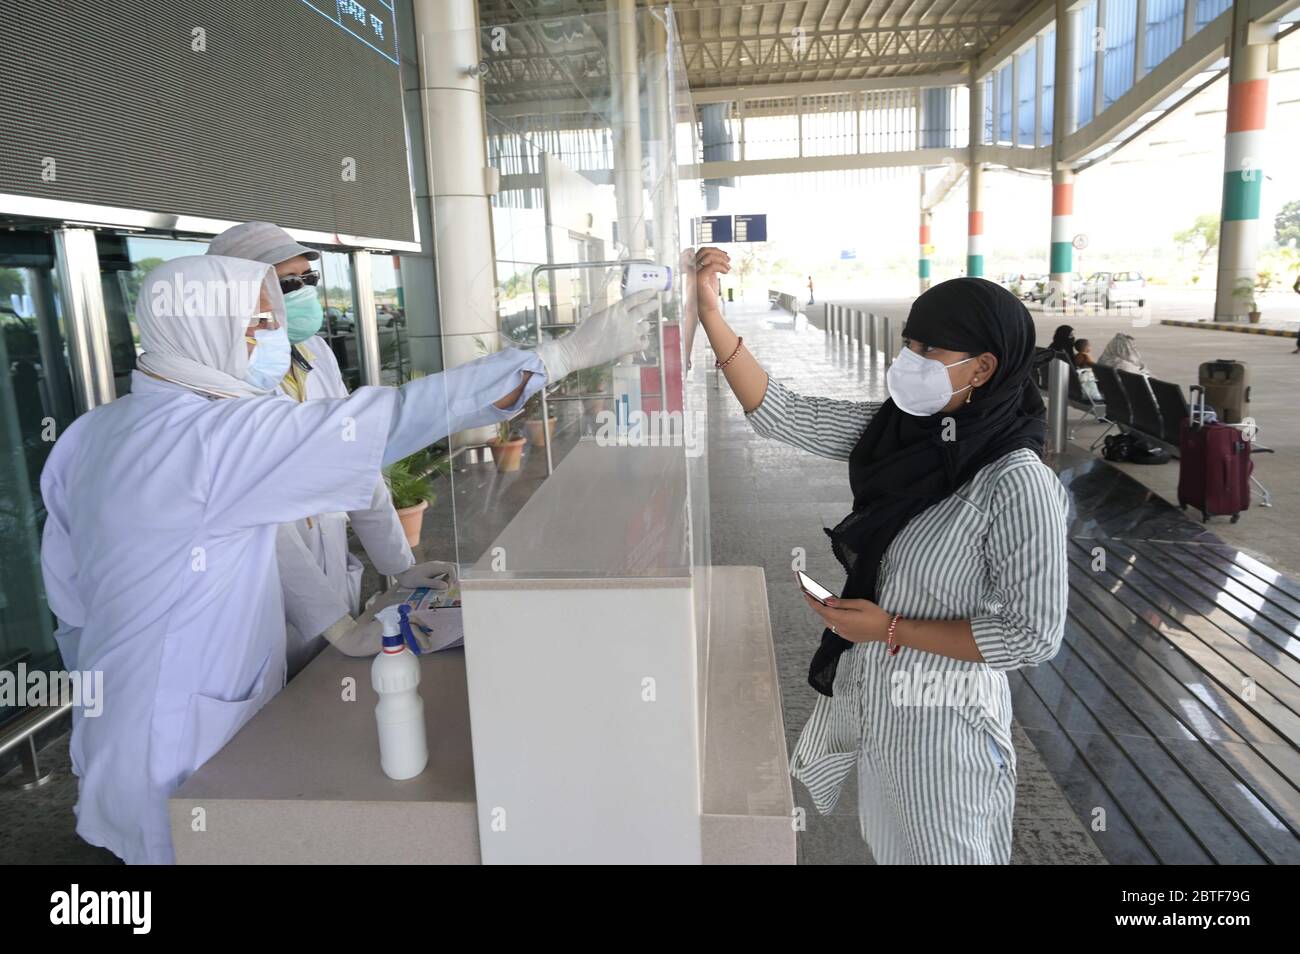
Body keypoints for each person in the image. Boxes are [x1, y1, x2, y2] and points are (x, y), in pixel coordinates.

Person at [41, 255, 653, 864]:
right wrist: (559, 357)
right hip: (181, 747)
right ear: (202, 329)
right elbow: (391, 420)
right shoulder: (214, 438)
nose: (272, 338)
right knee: (189, 847)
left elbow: (68, 603)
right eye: (256, 325)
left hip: (117, 728)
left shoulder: (91, 434)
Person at [692, 247, 1068, 864]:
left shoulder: (1017, 483)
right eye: (908, 342)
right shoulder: (898, 432)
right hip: (884, 715)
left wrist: (889, 627)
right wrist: (711, 314)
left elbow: (1032, 635)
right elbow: (782, 412)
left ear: (982, 369)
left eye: (929, 351)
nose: (908, 361)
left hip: (947, 733)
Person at [206, 222, 449, 675]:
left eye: (308, 281)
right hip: (262, 601)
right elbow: (263, 519)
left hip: (329, 568)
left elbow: (354, 463)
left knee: (333, 693)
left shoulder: (316, 352)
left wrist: (400, 567)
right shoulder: (217, 381)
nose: (302, 294)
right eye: (286, 284)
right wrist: (337, 628)